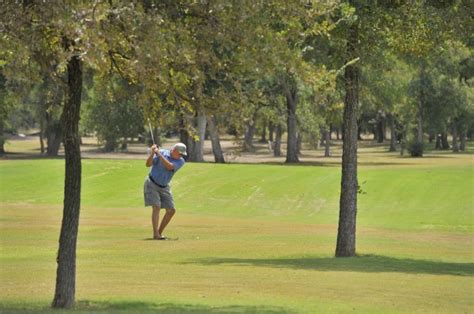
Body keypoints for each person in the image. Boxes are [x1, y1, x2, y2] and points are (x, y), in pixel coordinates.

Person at [144, 142, 186, 240]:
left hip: (164, 186)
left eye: (182, 154)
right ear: (173, 150)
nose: (181, 156)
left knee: (171, 210)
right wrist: (152, 153)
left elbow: (170, 167)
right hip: (152, 183)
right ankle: (156, 234)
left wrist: (159, 154)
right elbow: (148, 164)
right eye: (180, 153)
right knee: (157, 207)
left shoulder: (181, 161)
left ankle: (159, 232)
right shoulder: (162, 152)